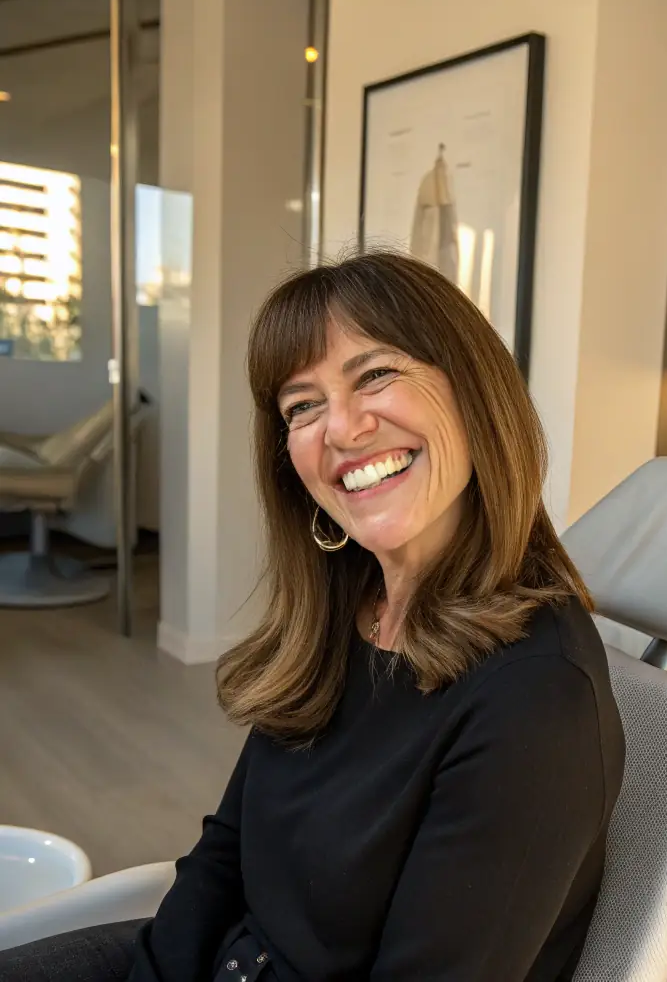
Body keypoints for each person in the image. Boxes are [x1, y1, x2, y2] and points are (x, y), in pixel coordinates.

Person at [1, 253, 625, 982]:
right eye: (302, 406)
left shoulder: (536, 704)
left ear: (476, 393)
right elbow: (227, 850)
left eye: (377, 375)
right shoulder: (348, 611)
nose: (342, 428)